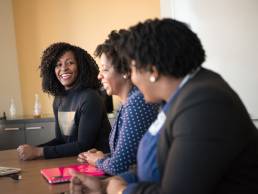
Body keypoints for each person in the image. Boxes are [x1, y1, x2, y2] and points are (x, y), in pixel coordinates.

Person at [70, 18, 258, 194]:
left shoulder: (205, 104)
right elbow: (160, 167)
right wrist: (104, 185)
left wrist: (120, 190)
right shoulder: (182, 97)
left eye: (133, 69)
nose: (133, 78)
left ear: (152, 71)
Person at [77, 30, 159, 175]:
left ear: (125, 71)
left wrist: (97, 160)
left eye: (105, 69)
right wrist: (101, 156)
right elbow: (130, 158)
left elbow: (119, 167)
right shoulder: (128, 102)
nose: (99, 75)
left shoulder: (137, 102)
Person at [17, 42, 111, 160]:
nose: (63, 68)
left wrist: (38, 152)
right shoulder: (58, 99)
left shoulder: (90, 97)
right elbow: (61, 140)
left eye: (70, 63)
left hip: (99, 165)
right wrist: (33, 149)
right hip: (72, 160)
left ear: (80, 66)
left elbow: (83, 145)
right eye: (58, 65)